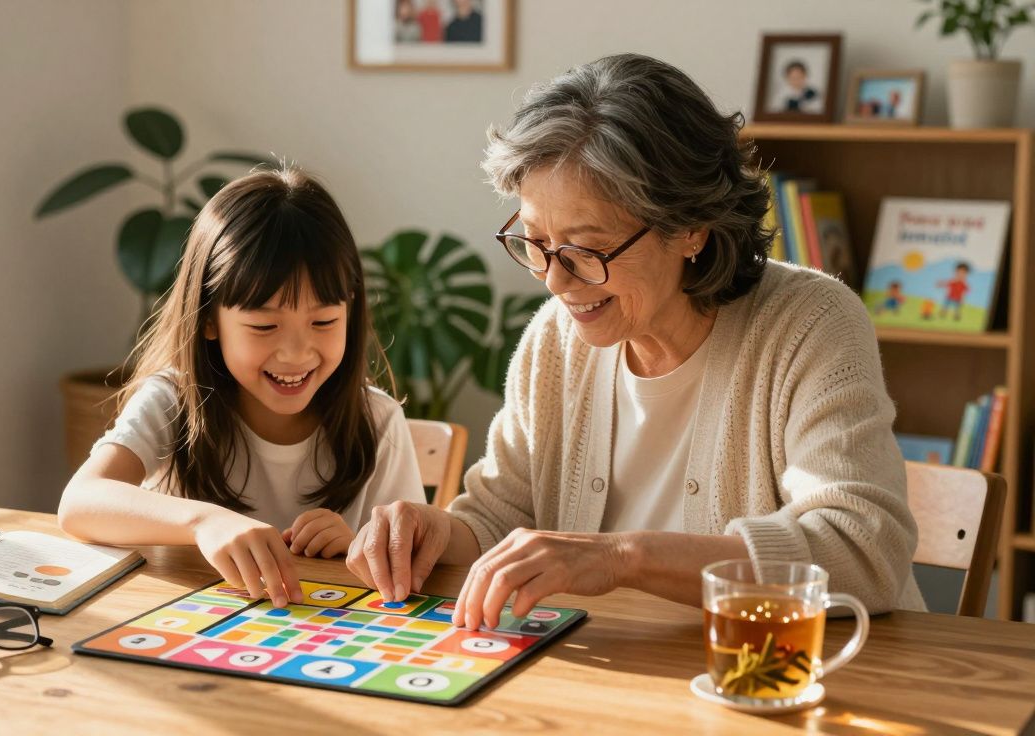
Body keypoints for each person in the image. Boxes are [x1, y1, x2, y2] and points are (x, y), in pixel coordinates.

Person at [347, 54, 924, 630]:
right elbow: (500, 520)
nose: (554, 280)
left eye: (587, 248)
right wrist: (434, 533)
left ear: (691, 226)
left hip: (795, 677)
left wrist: (623, 558)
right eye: (535, 242)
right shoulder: (554, 340)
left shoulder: (809, 325)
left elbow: (861, 550)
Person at [59, 167, 425, 608]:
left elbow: (405, 553)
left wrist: (356, 548)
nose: (295, 353)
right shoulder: (173, 401)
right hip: (189, 630)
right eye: (264, 325)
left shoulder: (378, 420)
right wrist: (203, 523)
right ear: (210, 319)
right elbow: (80, 503)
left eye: (324, 321)